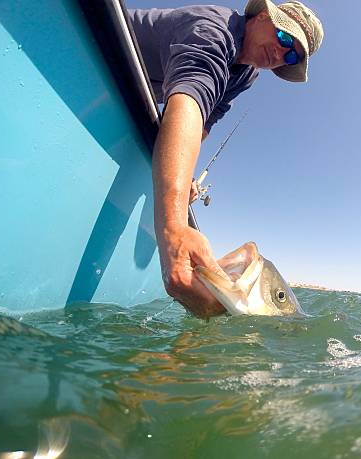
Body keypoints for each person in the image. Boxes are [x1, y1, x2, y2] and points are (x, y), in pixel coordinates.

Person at [128, 0, 324, 317]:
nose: (281, 53)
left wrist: (184, 176)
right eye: (285, 38)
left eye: (291, 56)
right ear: (262, 16)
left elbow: (203, 122)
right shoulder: (215, 29)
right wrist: (174, 229)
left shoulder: (247, 75)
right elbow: (189, 101)